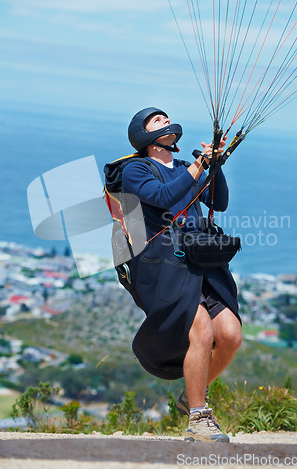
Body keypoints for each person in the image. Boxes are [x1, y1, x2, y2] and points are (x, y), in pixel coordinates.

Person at [121, 107, 242, 443]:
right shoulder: (136, 169)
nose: (166, 120)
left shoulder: (185, 168)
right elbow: (162, 197)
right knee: (200, 331)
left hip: (200, 259)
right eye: (157, 120)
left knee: (230, 334)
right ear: (142, 134)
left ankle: (192, 394)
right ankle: (199, 418)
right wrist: (199, 165)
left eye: (166, 117)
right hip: (164, 266)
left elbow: (219, 200)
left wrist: (213, 168)